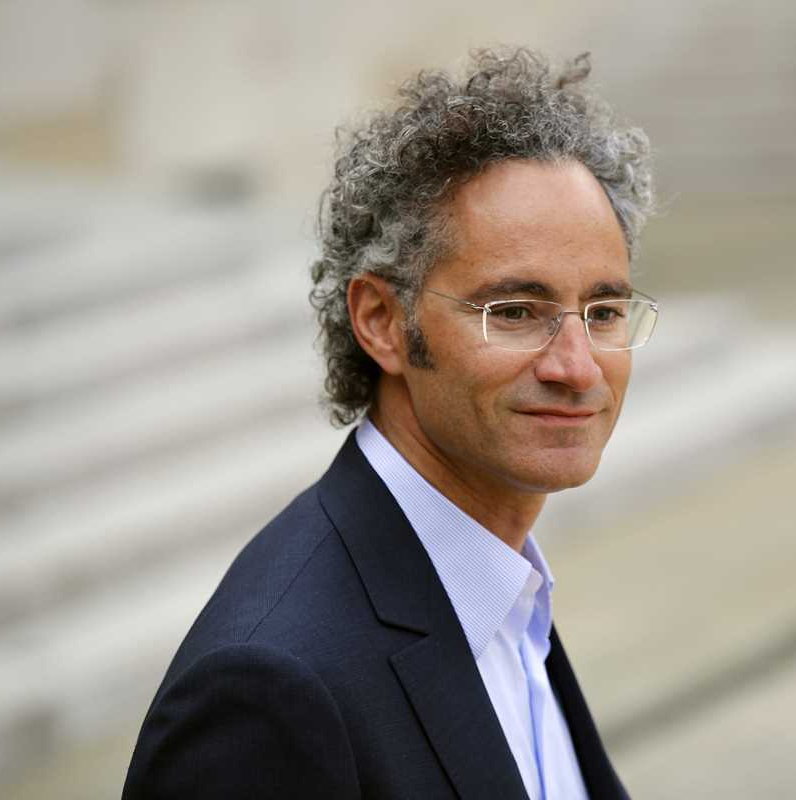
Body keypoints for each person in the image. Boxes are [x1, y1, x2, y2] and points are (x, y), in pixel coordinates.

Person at [123, 46, 657, 800]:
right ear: (381, 320)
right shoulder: (267, 691)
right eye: (514, 312)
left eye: (602, 312)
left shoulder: (503, 595)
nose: (577, 367)